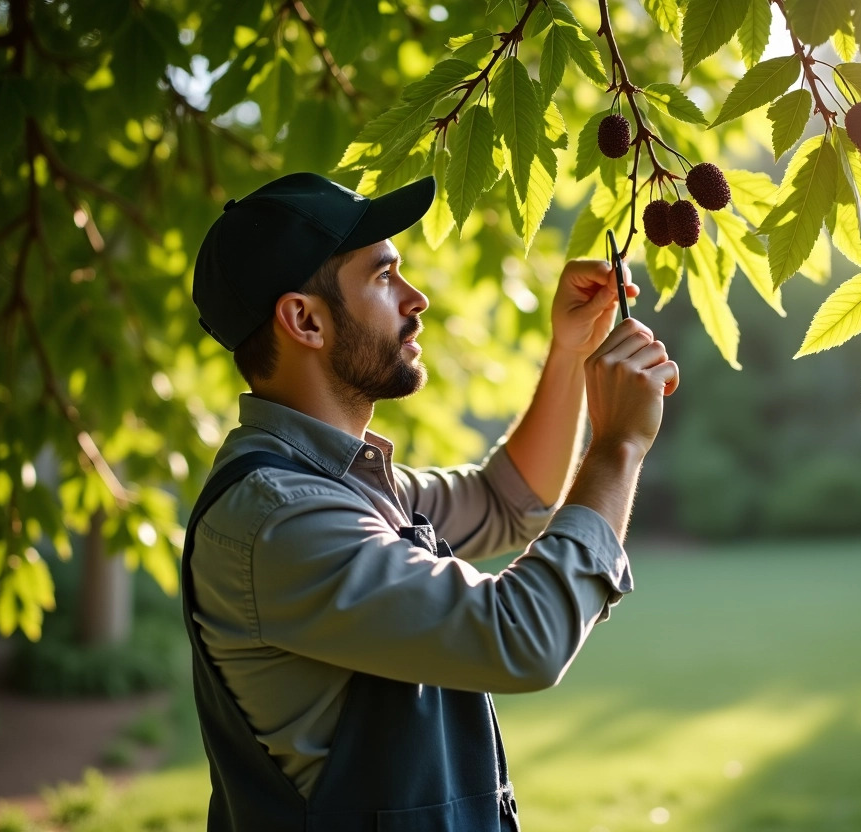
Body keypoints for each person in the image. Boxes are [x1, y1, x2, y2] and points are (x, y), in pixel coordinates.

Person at [185, 172, 679, 831]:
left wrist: (569, 353)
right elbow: (520, 638)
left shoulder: (337, 486)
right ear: (305, 320)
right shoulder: (281, 520)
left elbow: (508, 501)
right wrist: (617, 447)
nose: (416, 298)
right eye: (385, 276)